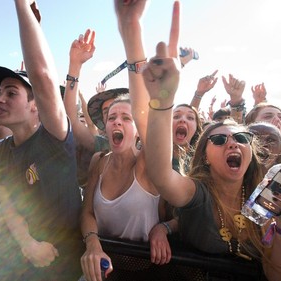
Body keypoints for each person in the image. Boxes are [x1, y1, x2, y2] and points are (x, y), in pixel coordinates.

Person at [142, 1, 281, 280]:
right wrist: (163, 103)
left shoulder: (265, 197)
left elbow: (279, 275)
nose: (232, 143)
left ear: (251, 151)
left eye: (241, 137)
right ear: (205, 155)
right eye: (219, 139)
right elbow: (161, 175)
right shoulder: (198, 195)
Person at [0, 1, 83, 280]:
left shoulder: (54, 139)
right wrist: (26, 241)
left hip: (63, 267)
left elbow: (43, 76)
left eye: (11, 93)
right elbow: (5, 198)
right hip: (17, 263)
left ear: (35, 104)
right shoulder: (0, 150)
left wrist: (21, 5)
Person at [80, 1, 177, 280]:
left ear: (137, 130)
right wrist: (92, 241)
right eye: (111, 118)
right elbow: (87, 212)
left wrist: (131, 28)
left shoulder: (147, 163)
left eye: (126, 117)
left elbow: (144, 113)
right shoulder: (99, 161)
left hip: (144, 273)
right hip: (103, 271)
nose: (117, 122)